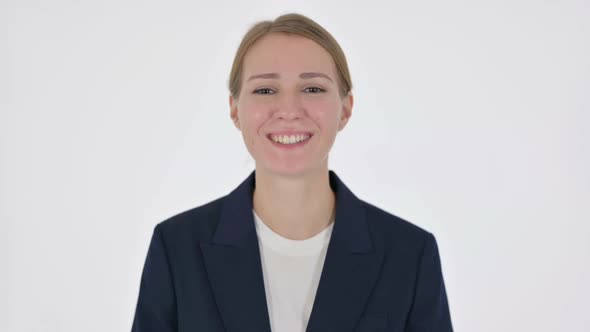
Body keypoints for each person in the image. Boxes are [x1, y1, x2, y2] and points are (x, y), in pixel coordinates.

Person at [131, 13, 453, 332]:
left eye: (312, 89)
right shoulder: (177, 249)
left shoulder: (410, 256)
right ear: (234, 109)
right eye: (265, 90)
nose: (288, 110)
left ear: (346, 109)